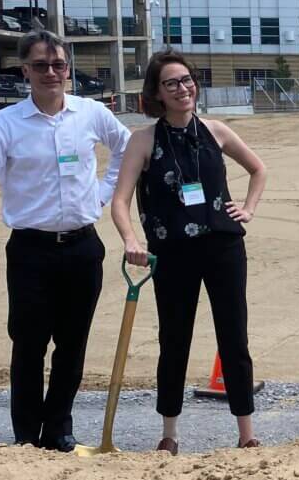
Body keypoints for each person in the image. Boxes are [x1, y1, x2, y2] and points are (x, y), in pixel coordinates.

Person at [0, 29, 130, 450]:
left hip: (83, 248)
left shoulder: (91, 114)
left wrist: (104, 195)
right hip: (31, 250)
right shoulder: (4, 125)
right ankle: (27, 433)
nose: (52, 73)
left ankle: (59, 427)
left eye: (59, 65)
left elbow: (127, 148)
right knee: (28, 344)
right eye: (41, 66)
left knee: (72, 343)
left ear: (68, 69)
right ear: (25, 70)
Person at [110, 51, 268, 454]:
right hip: (173, 252)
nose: (183, 89)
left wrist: (247, 208)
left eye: (187, 80)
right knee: (174, 339)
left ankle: (246, 433)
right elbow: (120, 200)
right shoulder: (143, 140)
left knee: (234, 337)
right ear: (157, 93)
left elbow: (258, 169)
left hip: (223, 247)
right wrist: (131, 239)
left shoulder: (215, 131)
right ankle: (170, 433)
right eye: (172, 83)